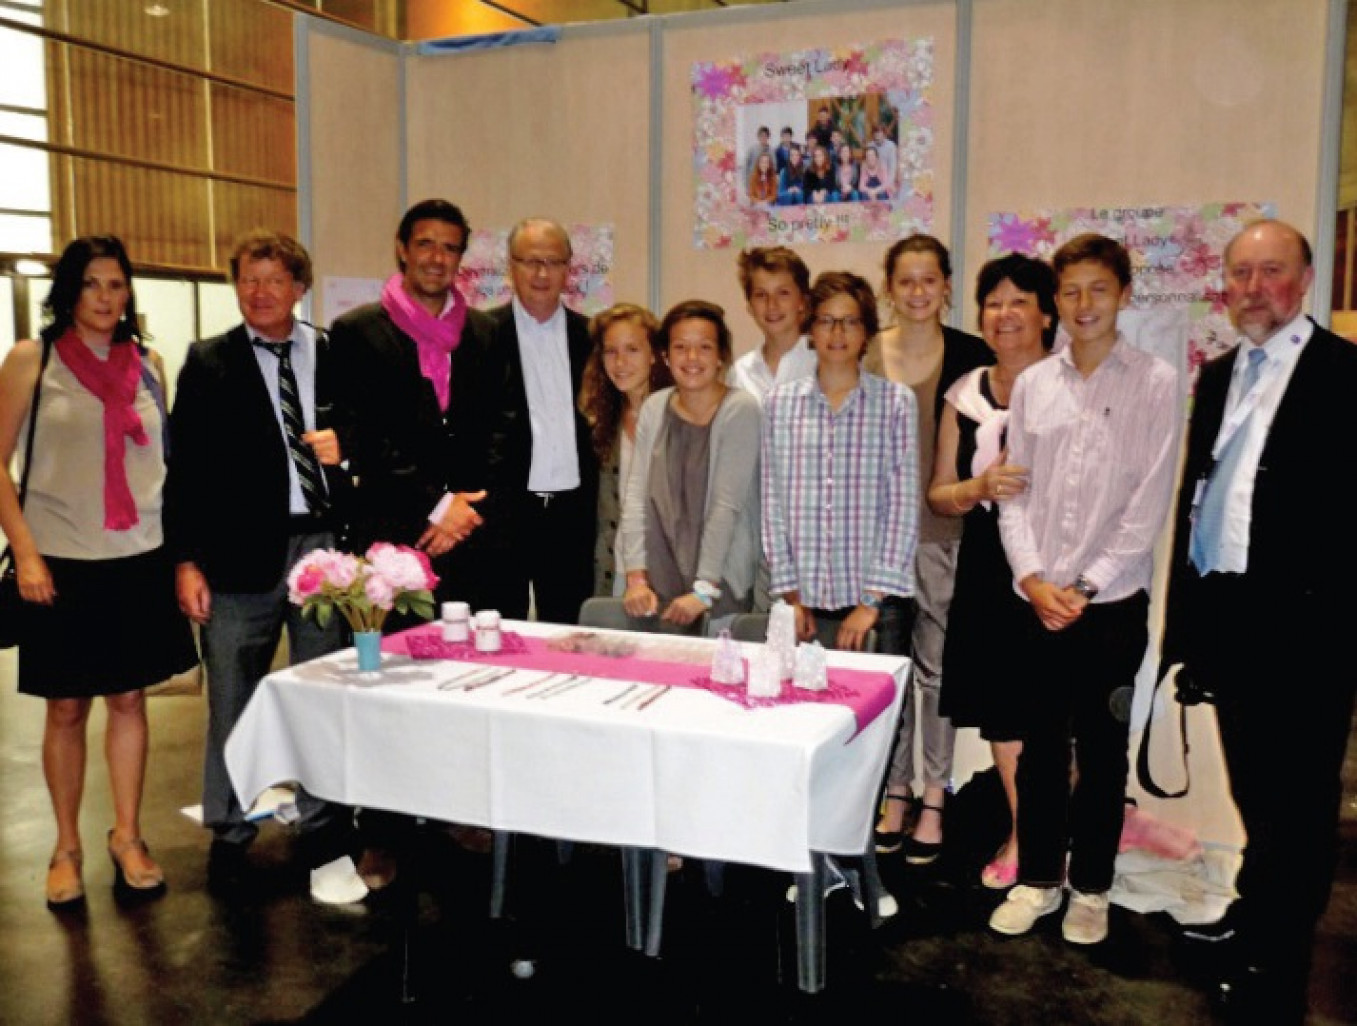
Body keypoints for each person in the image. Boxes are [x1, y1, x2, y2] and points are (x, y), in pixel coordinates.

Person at [1160, 220, 1357, 1024]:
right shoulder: (1218, 373)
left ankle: (1280, 959)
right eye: (1239, 273)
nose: (1251, 287)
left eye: (1269, 271)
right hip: (1229, 618)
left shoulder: (1343, 374)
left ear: (1304, 279)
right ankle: (1254, 909)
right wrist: (1187, 627)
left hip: (1306, 629)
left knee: (1299, 803)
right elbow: (1203, 496)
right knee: (1253, 790)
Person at [988, 233, 1179, 946]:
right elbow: (1011, 492)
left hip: (1111, 605)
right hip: (1036, 603)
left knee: (1102, 750)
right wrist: (1033, 579)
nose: (1082, 304)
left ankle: (1091, 887)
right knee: (1039, 749)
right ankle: (1039, 878)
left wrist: (1083, 585)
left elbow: (1148, 501)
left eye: (1097, 288)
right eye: (1069, 291)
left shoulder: (1155, 381)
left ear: (1123, 295)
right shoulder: (1036, 383)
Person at [0, 236, 196, 909]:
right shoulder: (34, 359)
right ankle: (65, 846)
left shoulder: (150, 366)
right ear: (69, 290)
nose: (106, 298)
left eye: (116, 285)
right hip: (59, 561)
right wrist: (24, 551)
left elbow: (164, 473)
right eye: (92, 284)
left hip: (137, 559)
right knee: (64, 707)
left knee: (130, 701)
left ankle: (128, 836)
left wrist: (177, 561)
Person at [166, 230, 359, 900]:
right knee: (233, 693)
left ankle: (322, 813)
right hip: (234, 556)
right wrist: (186, 560)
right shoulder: (208, 360)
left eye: (275, 279)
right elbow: (183, 469)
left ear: (299, 287)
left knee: (318, 689)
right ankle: (229, 822)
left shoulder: (332, 354)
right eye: (249, 279)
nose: (260, 292)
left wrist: (350, 450)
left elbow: (365, 435)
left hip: (321, 549)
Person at [930, 254, 1057, 889]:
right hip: (986, 561)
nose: (1004, 314)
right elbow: (938, 494)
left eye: (1018, 301)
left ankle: (1063, 831)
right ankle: (1023, 833)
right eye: (992, 302)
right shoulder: (965, 391)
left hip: (1058, 563)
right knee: (1005, 715)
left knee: (1056, 714)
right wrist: (979, 484)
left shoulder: (1070, 384)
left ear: (1046, 312)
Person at [866, 235, 993, 864]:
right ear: (889, 288)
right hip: (876, 541)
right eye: (905, 281)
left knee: (936, 672)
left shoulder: (972, 356)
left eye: (929, 280)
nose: (917, 292)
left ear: (946, 285)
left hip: (947, 536)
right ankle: (893, 788)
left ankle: (935, 794)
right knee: (888, 671)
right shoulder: (863, 353)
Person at [328, 199, 492, 594]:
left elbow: (499, 428)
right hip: (394, 533)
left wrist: (464, 511)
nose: (437, 258)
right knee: (394, 655)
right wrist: (438, 505)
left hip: (471, 533)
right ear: (402, 249)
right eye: (425, 244)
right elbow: (361, 435)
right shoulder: (357, 331)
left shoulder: (485, 332)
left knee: (474, 652)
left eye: (450, 248)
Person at [447, 217, 596, 624]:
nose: (542, 273)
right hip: (503, 516)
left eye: (553, 261)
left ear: (569, 269)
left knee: (570, 637)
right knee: (499, 633)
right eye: (530, 261)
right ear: (510, 266)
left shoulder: (594, 338)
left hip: (574, 515)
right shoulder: (477, 335)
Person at [762, 270, 917, 653]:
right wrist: (790, 595)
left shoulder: (895, 403)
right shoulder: (780, 405)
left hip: (877, 603)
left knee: (878, 712)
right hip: (804, 602)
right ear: (810, 329)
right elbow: (772, 503)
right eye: (826, 321)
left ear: (866, 332)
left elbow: (902, 508)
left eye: (850, 322)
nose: (837, 333)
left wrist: (871, 603)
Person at [619, 301, 762, 633]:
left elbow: (727, 506)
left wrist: (704, 589)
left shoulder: (740, 409)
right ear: (666, 356)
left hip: (718, 586)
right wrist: (636, 576)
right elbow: (636, 497)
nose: (692, 358)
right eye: (680, 348)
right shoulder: (655, 407)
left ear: (721, 356)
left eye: (704, 347)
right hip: (656, 585)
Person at [579, 303, 672, 597]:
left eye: (632, 349)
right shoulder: (602, 418)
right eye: (611, 351)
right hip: (615, 568)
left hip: (666, 572)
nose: (620, 362)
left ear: (655, 354)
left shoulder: (677, 416)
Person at [728, 246, 816, 404]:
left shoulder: (822, 362)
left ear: (802, 301)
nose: (772, 305)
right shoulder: (740, 373)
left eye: (783, 293)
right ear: (750, 306)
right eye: (761, 295)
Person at [744, 126, 772, 194]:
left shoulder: (771, 151)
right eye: (761, 136)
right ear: (758, 137)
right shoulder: (752, 150)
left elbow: (774, 167)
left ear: (768, 137)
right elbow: (745, 167)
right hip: (753, 181)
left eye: (765, 136)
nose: (763, 138)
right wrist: (746, 184)